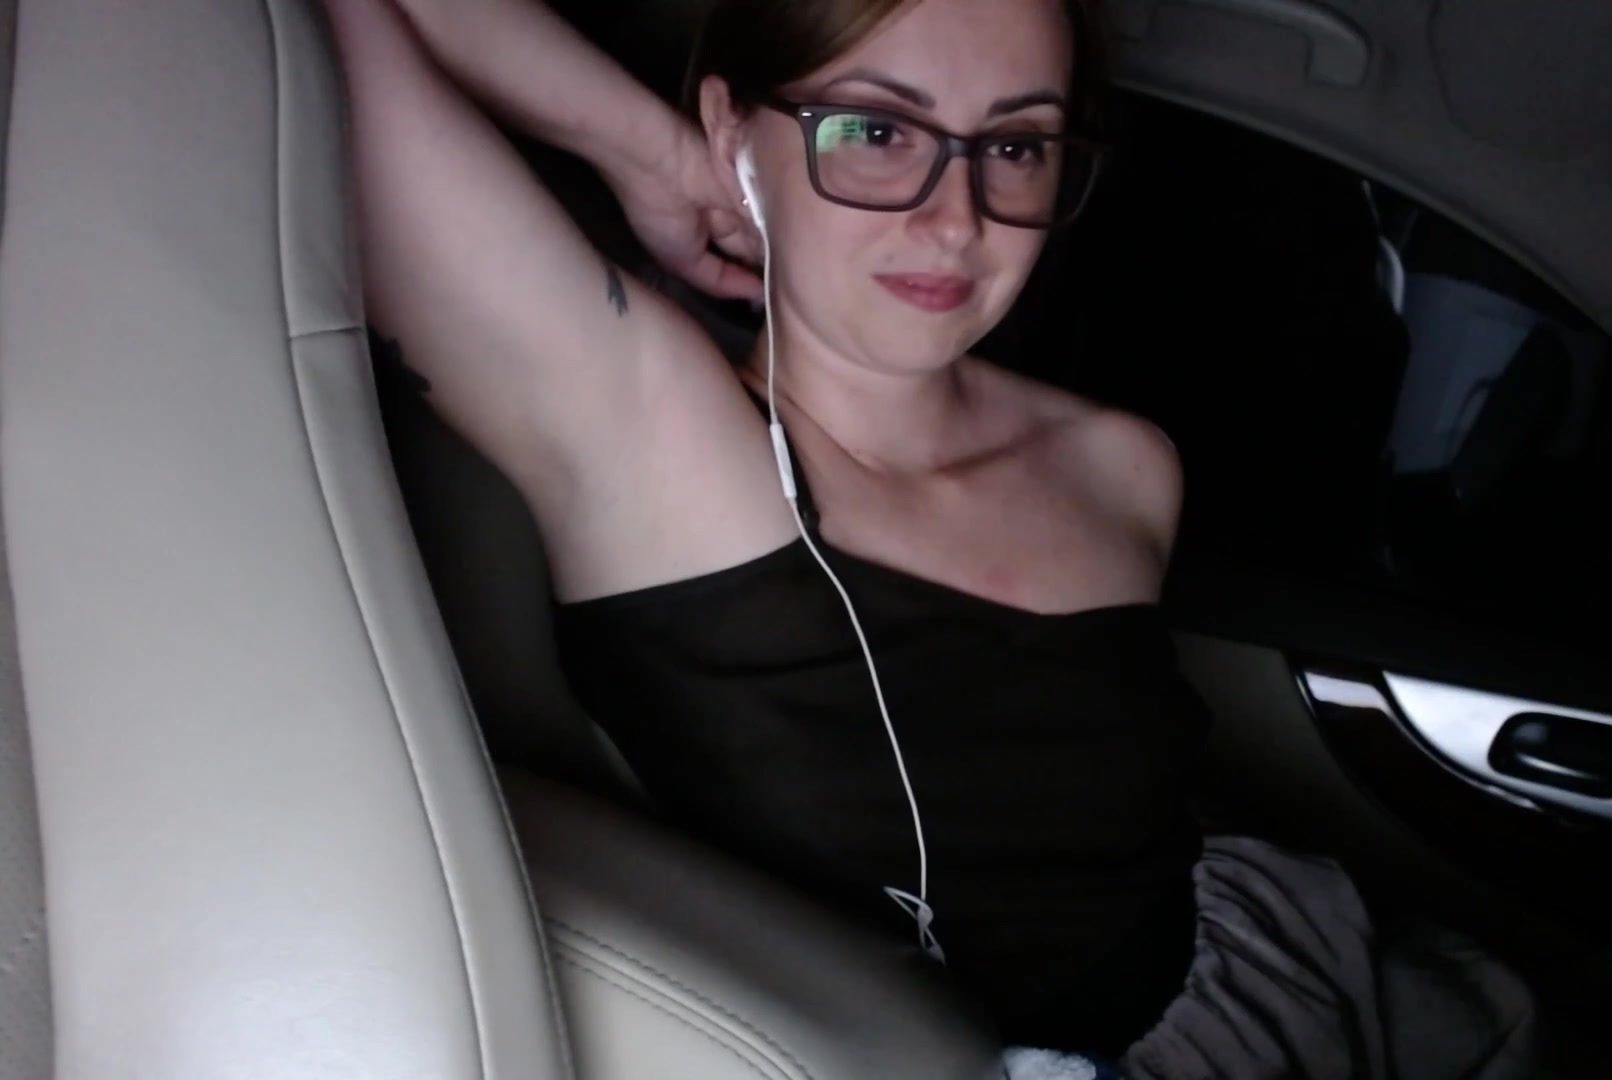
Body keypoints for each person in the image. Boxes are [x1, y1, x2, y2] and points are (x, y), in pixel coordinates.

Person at [321, 0, 1538, 1075]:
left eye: (1014, 146)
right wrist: (660, 153)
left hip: (1282, 997)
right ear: (739, 125)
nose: (956, 221)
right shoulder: (659, 437)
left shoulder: (1121, 465)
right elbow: (325, 25)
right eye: (876, 130)